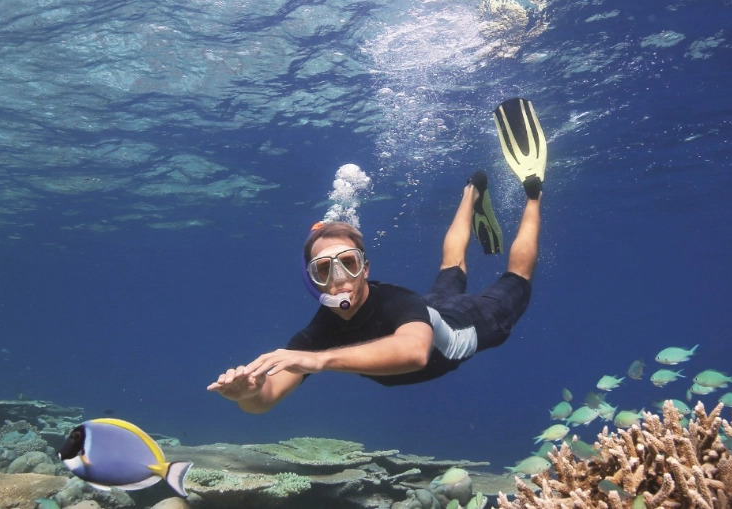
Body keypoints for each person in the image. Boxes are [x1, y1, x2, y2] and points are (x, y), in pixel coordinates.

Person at [207, 97, 547, 414]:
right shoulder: (317, 334)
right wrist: (248, 394)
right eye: (324, 269)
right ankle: (471, 190)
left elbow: (414, 353)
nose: (339, 279)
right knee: (451, 268)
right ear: (312, 280)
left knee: (516, 277)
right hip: (433, 309)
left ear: (365, 268)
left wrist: (319, 361)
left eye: (349, 263)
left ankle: (532, 192)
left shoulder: (397, 302)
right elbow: (266, 400)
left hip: (473, 322)